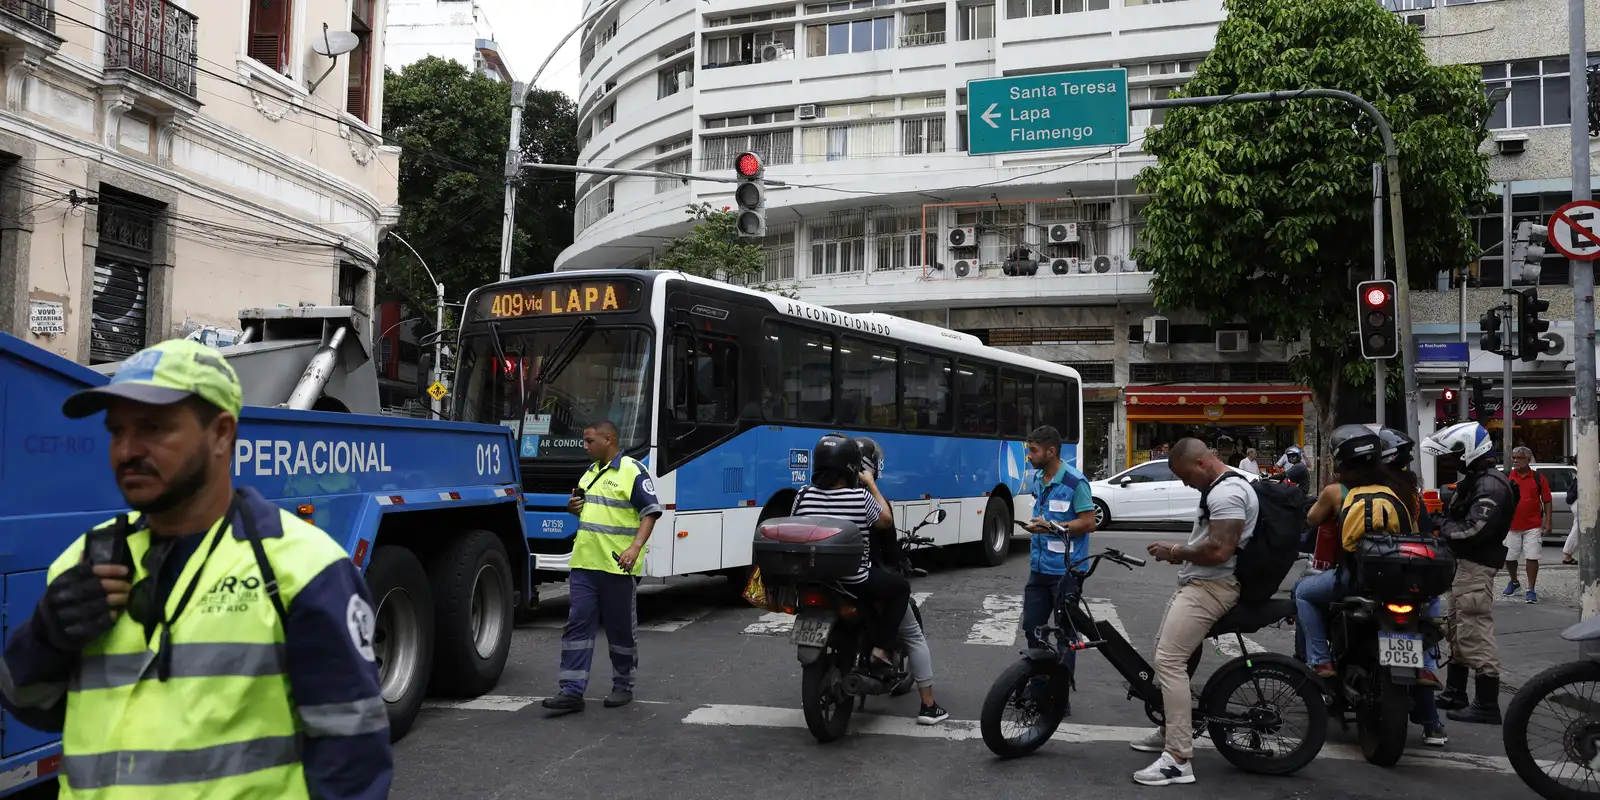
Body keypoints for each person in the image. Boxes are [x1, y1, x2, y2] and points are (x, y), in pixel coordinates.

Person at [0, 339, 391, 798]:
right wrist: (46, 638)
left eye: (153, 428)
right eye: (116, 431)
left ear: (222, 434)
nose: (126, 451)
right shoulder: (85, 559)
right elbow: (29, 706)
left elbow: (353, 766)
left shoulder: (304, 570)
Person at [1129, 438, 1256, 787]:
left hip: (1211, 588)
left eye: (1186, 476)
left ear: (1201, 463)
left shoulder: (1227, 493)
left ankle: (1178, 758)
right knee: (1170, 655)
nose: (1186, 484)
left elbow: (1219, 551)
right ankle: (1172, 728)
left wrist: (1175, 551)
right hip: (1199, 584)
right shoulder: (1220, 487)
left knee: (1169, 661)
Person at [543, 420, 663, 714]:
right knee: (577, 628)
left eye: (589, 441)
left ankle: (623, 685)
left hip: (617, 568)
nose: (584, 446)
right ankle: (571, 691)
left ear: (608, 439)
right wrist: (573, 509)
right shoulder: (590, 472)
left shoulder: (632, 471)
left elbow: (650, 512)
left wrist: (635, 548)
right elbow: (591, 512)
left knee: (620, 631)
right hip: (584, 565)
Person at [789, 434, 913, 684]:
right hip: (853, 581)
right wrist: (872, 485)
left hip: (811, 579)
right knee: (901, 588)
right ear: (851, 467)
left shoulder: (803, 494)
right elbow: (886, 522)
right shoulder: (860, 498)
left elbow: (794, 527)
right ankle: (881, 650)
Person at [1422, 421, 1517, 726]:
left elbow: (1474, 529)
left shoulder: (1490, 486)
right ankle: (1455, 693)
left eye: (1455, 454)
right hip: (1464, 566)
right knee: (1457, 629)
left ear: (1470, 450)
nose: (1452, 460)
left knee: (1475, 631)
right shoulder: (1478, 481)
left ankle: (1487, 704)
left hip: (1476, 567)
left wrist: (1442, 527)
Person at [850, 436, 948, 725]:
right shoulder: (866, 500)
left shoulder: (817, 495)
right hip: (866, 579)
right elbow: (888, 539)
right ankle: (928, 706)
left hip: (831, 581)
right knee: (913, 635)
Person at [1376, 426, 1449, 746]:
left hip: (1376, 582)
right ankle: (1431, 722)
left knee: (1310, 596)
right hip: (1417, 581)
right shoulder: (1413, 496)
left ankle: (1320, 668)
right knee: (1423, 639)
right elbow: (1430, 536)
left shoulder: (1365, 493)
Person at [1018, 425, 1096, 716]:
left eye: (1034, 450)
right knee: (1033, 628)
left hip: (1067, 571)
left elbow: (1088, 522)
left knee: (1065, 634)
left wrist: (1053, 527)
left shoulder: (1076, 482)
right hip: (1039, 569)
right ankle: (1039, 688)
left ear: (1051, 451)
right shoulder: (1039, 479)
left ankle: (1059, 697)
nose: (1029, 456)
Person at [1502, 447, 1553, 603]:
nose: (1515, 460)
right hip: (1511, 525)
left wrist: (1548, 522)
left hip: (1533, 525)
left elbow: (1547, 500)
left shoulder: (1538, 478)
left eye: (1520, 458)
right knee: (1509, 557)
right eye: (1514, 457)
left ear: (1528, 460)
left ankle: (1531, 589)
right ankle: (1514, 582)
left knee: (1532, 557)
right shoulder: (1507, 477)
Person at [1563, 483, 1579, 565]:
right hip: (1579, 503)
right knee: (1578, 529)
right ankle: (1567, 554)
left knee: (1578, 528)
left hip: (1576, 503)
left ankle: (1568, 554)